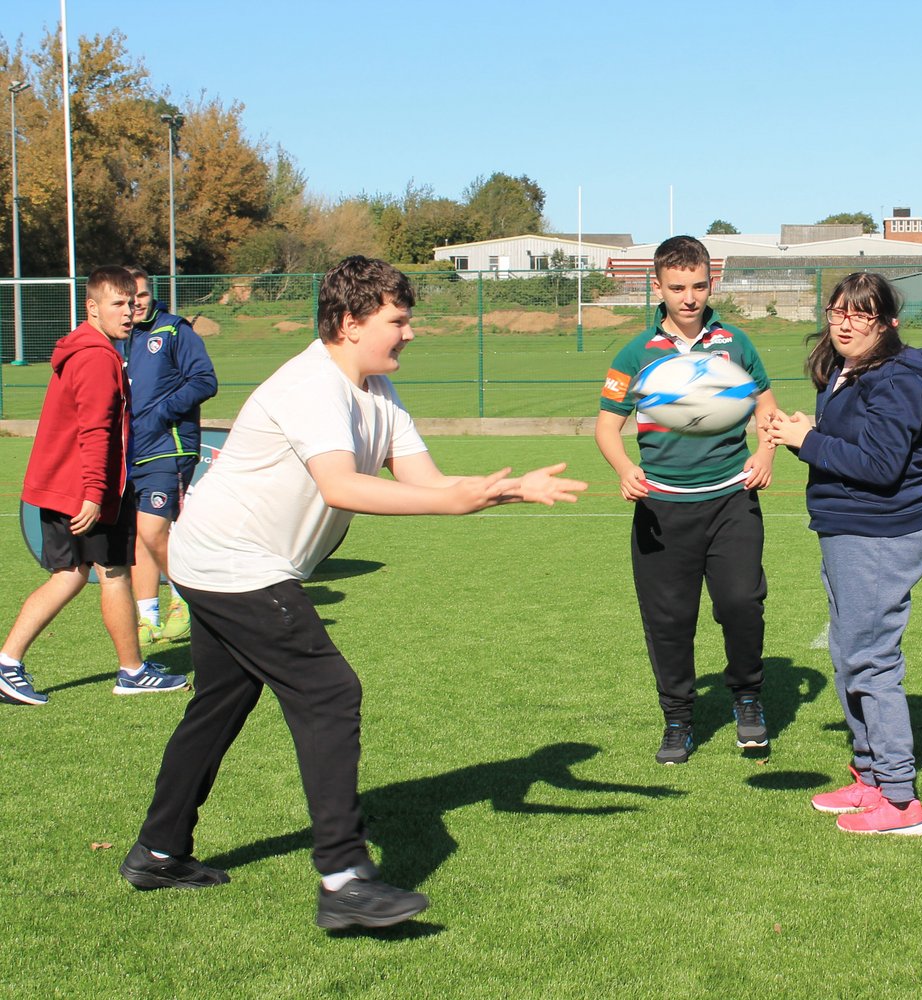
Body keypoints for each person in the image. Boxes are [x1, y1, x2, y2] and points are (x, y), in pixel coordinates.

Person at [119, 256, 586, 930]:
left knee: (219, 705)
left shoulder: (376, 392)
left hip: (220, 561)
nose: (410, 334)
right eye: (398, 321)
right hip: (235, 564)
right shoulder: (314, 386)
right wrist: (454, 506)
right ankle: (342, 877)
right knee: (330, 690)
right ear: (349, 321)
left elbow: (426, 478)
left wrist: (506, 488)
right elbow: (341, 486)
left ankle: (157, 852)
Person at [767, 273, 922, 836]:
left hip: (878, 536)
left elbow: (880, 464)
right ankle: (869, 776)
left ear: (888, 321)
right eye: (837, 311)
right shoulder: (847, 369)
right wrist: (812, 429)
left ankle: (899, 801)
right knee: (851, 656)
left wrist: (807, 441)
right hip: (847, 530)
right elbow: (855, 444)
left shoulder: (898, 380)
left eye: (862, 313)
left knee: (872, 661)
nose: (846, 322)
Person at [594, 235, 779, 764]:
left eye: (698, 285)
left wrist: (765, 451)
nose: (689, 297)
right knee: (669, 619)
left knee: (741, 603)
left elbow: (767, 405)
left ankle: (747, 699)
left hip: (730, 499)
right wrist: (625, 468)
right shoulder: (635, 352)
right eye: (677, 287)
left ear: (710, 283)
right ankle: (677, 719)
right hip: (661, 508)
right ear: (658, 287)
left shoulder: (735, 344)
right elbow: (607, 427)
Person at [0, 266, 190, 706]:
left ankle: (8, 663)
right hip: (83, 493)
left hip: (69, 488)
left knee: (70, 575)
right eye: (118, 304)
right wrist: (92, 493)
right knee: (115, 574)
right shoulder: (96, 356)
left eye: (133, 303)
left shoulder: (94, 350)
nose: (129, 312)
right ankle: (132, 672)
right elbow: (95, 432)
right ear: (92, 307)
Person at [122, 267, 218, 646]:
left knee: (152, 529)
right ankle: (148, 619)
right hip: (134, 452)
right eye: (129, 299)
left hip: (170, 445)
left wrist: (161, 414)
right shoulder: (119, 337)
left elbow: (205, 380)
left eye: (141, 295)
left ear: (152, 294)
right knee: (140, 538)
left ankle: (187, 600)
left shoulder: (174, 330)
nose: (136, 304)